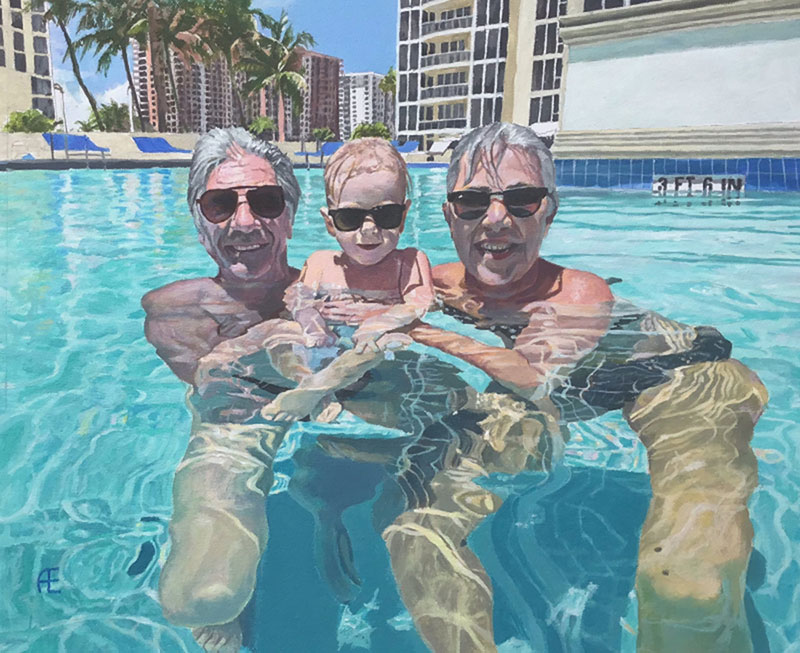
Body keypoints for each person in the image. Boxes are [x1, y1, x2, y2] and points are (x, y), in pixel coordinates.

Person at [356, 122, 766, 653]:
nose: (496, 219)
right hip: (562, 392)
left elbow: (533, 378)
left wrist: (420, 330)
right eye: (473, 201)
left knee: (687, 581)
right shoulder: (432, 283)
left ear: (549, 211)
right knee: (411, 519)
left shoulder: (578, 291)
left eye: (522, 200)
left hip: (684, 379)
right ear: (449, 214)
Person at [141, 127, 310, 652]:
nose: (244, 221)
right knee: (200, 596)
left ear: (289, 215)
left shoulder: (332, 294)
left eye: (265, 201)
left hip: (328, 413)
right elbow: (225, 401)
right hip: (233, 435)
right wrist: (278, 340)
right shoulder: (173, 313)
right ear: (198, 223)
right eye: (219, 204)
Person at [259, 137, 434, 422]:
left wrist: (376, 322)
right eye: (350, 218)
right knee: (277, 335)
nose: (368, 229)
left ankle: (317, 389)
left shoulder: (410, 262)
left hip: (370, 347)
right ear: (330, 223)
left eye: (386, 215)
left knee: (378, 345)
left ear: (403, 217)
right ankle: (309, 384)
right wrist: (312, 326)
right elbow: (297, 299)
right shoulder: (320, 262)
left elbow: (420, 302)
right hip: (323, 342)